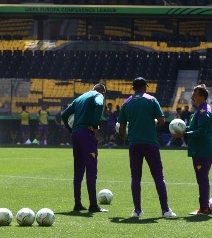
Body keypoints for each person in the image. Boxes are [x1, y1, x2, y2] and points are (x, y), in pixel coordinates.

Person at [117, 77, 177, 219]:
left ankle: (137, 211)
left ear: (133, 88)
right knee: (158, 177)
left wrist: (125, 136)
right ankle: (165, 210)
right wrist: (154, 122)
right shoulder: (151, 100)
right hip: (150, 143)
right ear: (145, 87)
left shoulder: (126, 103)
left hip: (134, 144)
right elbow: (162, 121)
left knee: (135, 178)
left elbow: (121, 128)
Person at [61, 83, 108, 213]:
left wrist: (72, 129)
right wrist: (95, 125)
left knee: (78, 170)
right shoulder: (98, 96)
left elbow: (64, 115)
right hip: (87, 134)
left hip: (76, 134)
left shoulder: (80, 98)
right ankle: (93, 205)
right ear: (103, 92)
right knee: (91, 168)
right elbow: (98, 105)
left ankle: (78, 203)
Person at [174, 84, 212, 215]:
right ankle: (204, 206)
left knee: (202, 178)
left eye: (195, 94)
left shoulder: (204, 112)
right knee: (202, 178)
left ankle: (204, 208)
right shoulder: (200, 110)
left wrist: (184, 134)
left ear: (202, 97)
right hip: (200, 149)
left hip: (202, 150)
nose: (192, 97)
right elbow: (194, 128)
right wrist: (181, 129)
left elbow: (202, 132)